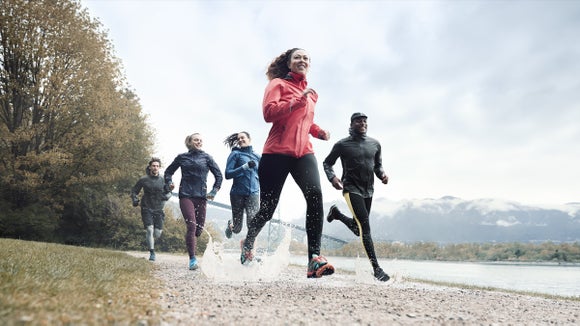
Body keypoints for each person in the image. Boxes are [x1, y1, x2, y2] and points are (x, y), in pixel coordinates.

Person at [240, 48, 334, 279]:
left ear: (309, 65)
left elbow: (304, 120)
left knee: (315, 196)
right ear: (289, 63)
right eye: (298, 57)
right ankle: (248, 241)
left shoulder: (312, 93)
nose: (302, 60)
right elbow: (269, 113)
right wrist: (297, 100)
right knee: (268, 208)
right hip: (276, 152)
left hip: (304, 152)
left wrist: (318, 131)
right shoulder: (278, 84)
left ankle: (314, 258)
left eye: (306, 58)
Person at [322, 112, 391, 281]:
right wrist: (332, 178)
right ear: (351, 124)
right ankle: (377, 269)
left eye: (365, 121)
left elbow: (378, 166)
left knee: (357, 228)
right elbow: (327, 163)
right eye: (359, 121)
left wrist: (382, 175)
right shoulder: (342, 144)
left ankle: (336, 214)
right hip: (351, 188)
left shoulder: (375, 144)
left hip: (369, 190)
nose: (363, 123)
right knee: (365, 227)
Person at [164, 133, 223, 270]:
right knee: (191, 225)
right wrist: (169, 182)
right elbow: (168, 172)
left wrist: (214, 191)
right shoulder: (182, 157)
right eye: (196, 140)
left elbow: (219, 176)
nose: (199, 142)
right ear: (190, 142)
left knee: (198, 229)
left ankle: (191, 244)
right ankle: (192, 259)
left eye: (201, 140)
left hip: (201, 196)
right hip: (185, 195)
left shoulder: (207, 158)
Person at [131, 157, 172, 262]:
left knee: (157, 234)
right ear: (150, 167)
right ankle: (152, 252)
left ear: (159, 167)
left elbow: (168, 192)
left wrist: (168, 196)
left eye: (157, 166)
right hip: (146, 207)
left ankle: (152, 241)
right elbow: (134, 191)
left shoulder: (163, 180)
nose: (155, 168)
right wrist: (135, 199)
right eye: (153, 166)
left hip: (158, 208)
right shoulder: (143, 179)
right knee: (149, 229)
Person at [223, 131, 261, 239]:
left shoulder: (257, 156)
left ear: (249, 139)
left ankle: (248, 252)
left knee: (253, 225)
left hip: (253, 193)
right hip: (237, 194)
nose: (240, 140)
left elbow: (264, 174)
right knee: (237, 229)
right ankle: (231, 225)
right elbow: (227, 174)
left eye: (242, 137)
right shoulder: (235, 154)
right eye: (238, 139)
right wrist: (244, 167)